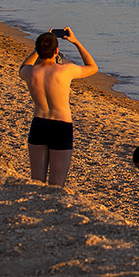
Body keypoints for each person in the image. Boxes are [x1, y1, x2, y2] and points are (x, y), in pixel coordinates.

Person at [18, 28, 98, 187]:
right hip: (61, 126)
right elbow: (92, 67)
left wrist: (38, 50)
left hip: (39, 124)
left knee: (36, 181)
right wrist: (75, 41)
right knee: (56, 184)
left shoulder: (30, 72)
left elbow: (23, 66)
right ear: (56, 50)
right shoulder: (66, 70)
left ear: (38, 50)